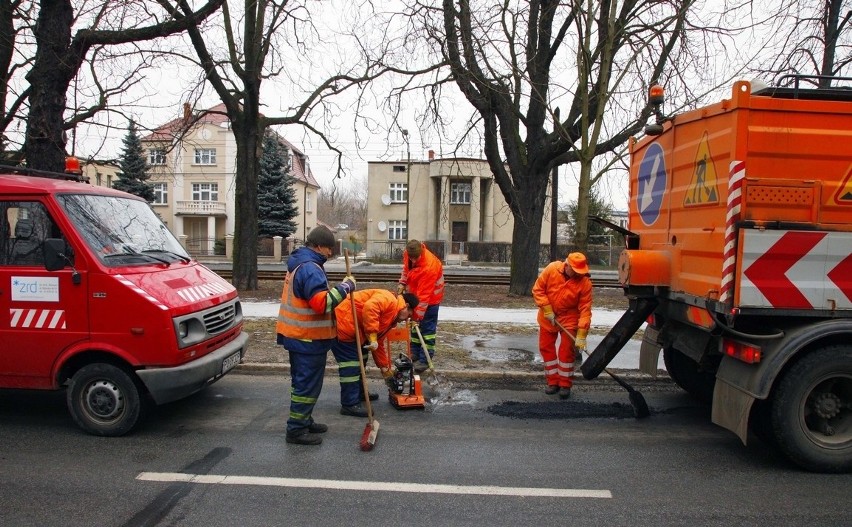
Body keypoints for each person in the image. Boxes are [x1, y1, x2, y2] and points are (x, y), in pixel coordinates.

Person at [276, 225, 356, 445]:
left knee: (301, 384)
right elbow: (323, 304)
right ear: (319, 246)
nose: (330, 253)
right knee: (307, 386)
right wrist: (345, 287)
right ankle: (296, 430)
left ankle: (303, 419)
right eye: (328, 248)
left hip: (299, 336)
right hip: (307, 339)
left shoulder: (300, 264)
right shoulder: (310, 269)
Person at [331, 290, 420, 417]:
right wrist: (372, 335)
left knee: (363, 359)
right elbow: (370, 307)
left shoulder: (391, 316)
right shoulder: (389, 299)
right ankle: (349, 404)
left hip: (355, 331)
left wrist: (385, 369)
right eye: (409, 314)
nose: (408, 318)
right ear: (406, 306)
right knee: (351, 366)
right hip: (344, 325)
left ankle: (359, 393)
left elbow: (378, 343)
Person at [531, 252, 593, 399]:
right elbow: (538, 289)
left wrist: (582, 335)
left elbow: (585, 310)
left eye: (581, 272)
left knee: (566, 352)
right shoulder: (552, 269)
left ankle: (565, 384)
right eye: (576, 271)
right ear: (567, 266)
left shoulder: (585, 283)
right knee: (546, 348)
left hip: (569, 318)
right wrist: (547, 309)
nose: (578, 274)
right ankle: (553, 382)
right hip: (548, 316)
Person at [397, 240, 445, 372]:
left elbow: (424, 297)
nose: (412, 260)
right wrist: (402, 282)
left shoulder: (429, 266)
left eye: (415, 258)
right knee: (414, 328)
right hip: (416, 296)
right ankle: (415, 354)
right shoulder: (409, 254)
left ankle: (425, 360)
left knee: (427, 331)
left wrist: (416, 316)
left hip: (430, 300)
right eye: (410, 257)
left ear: (421, 253)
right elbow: (406, 269)